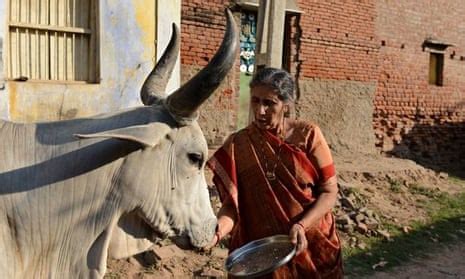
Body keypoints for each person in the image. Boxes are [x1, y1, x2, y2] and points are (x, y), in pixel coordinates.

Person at [206, 67, 343, 278]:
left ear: (285, 106)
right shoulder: (238, 144)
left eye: (269, 103)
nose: (260, 111)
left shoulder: (308, 136)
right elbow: (232, 206)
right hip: (260, 253)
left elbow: (329, 191)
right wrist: (216, 234)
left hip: (310, 245)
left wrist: (301, 225)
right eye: (255, 101)